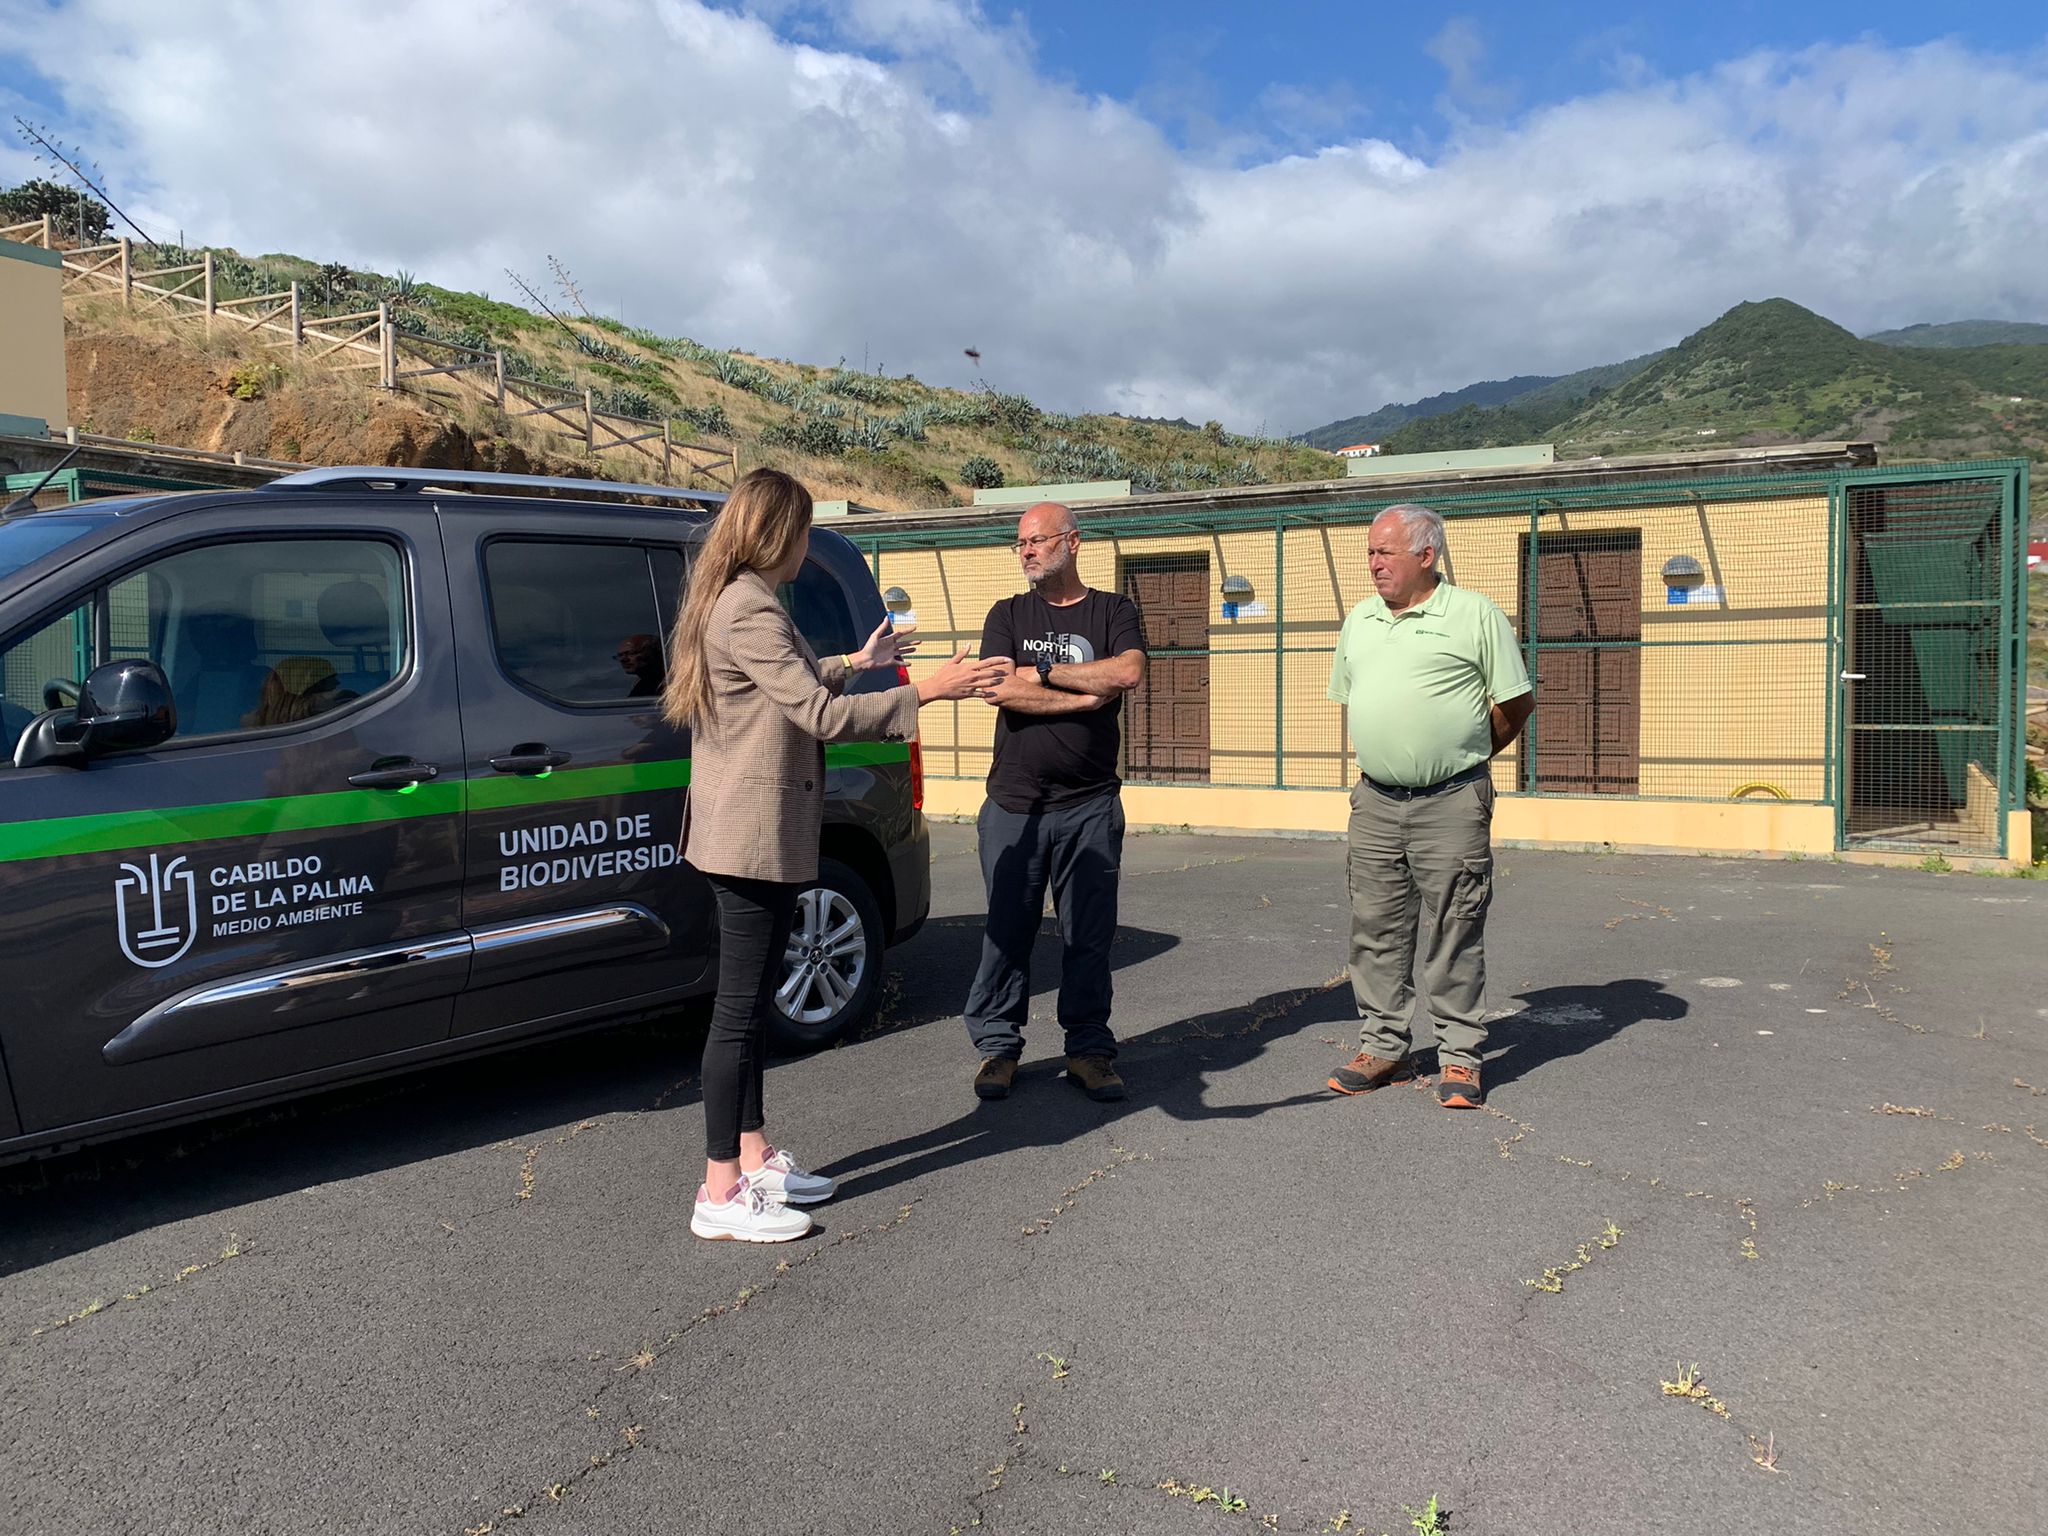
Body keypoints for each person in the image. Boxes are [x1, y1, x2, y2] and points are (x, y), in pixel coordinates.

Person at [664, 468, 1002, 1242]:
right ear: (776, 532)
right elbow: (815, 715)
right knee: (740, 1015)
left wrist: (860, 657)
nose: (810, 544)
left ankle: (752, 1159)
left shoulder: (742, 599)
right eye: (806, 529)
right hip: (749, 839)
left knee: (749, 1011)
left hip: (752, 834)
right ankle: (719, 1191)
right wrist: (932, 690)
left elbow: (788, 684)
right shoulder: (748, 606)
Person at [1324, 503, 1533, 1109]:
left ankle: (1460, 1057)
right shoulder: (1359, 621)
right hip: (1376, 802)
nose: (1373, 564)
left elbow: (1514, 705)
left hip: (1451, 802)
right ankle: (1383, 1045)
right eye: (1369, 551)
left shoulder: (1474, 615)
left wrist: (1461, 753)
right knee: (1376, 928)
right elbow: (1356, 699)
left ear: (1426, 555)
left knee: (1454, 929)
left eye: (1384, 552)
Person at [963, 502, 1147, 1103]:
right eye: (1020, 544)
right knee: (1007, 930)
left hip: (1090, 804)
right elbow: (997, 687)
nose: (1027, 552)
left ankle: (1089, 1050)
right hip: (1015, 806)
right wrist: (1078, 695)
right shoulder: (1007, 613)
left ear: (1072, 542)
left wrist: (1039, 671)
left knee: (1088, 936)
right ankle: (998, 1047)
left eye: (1037, 541)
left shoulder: (1113, 609)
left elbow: (1125, 675)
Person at [242, 655, 346, 728]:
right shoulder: (338, 705)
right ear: (312, 683)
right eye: (330, 677)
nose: (337, 682)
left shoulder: (252, 722)